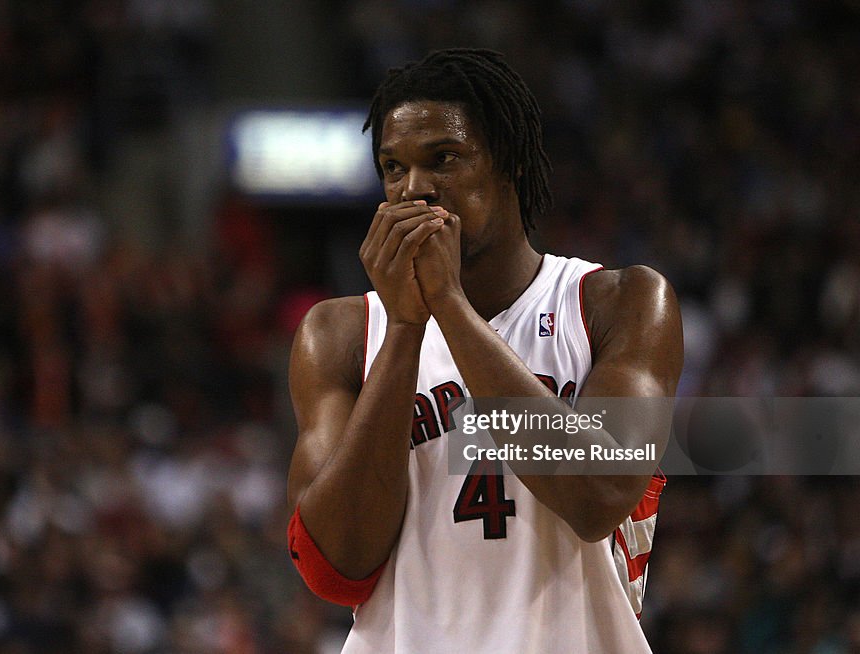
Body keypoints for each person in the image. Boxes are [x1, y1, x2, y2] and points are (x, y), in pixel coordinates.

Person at [286, 48, 683, 653]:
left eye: (443, 159)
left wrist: (449, 306)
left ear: (511, 167)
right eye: (393, 168)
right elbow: (335, 566)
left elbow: (598, 494)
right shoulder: (339, 334)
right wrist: (405, 328)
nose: (414, 189)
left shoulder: (619, 303)